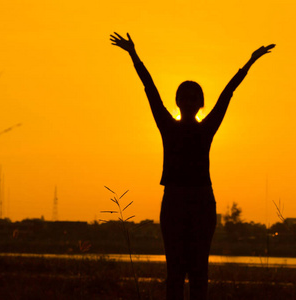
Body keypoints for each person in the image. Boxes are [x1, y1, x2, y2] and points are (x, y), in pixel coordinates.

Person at [110, 32, 275, 300]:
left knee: (199, 270)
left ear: (200, 104)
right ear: (178, 103)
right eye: (183, 98)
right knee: (175, 271)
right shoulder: (167, 126)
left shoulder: (207, 128)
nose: (187, 102)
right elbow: (150, 89)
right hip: (174, 200)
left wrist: (250, 62)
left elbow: (227, 92)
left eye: (192, 98)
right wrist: (133, 54)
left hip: (201, 202)